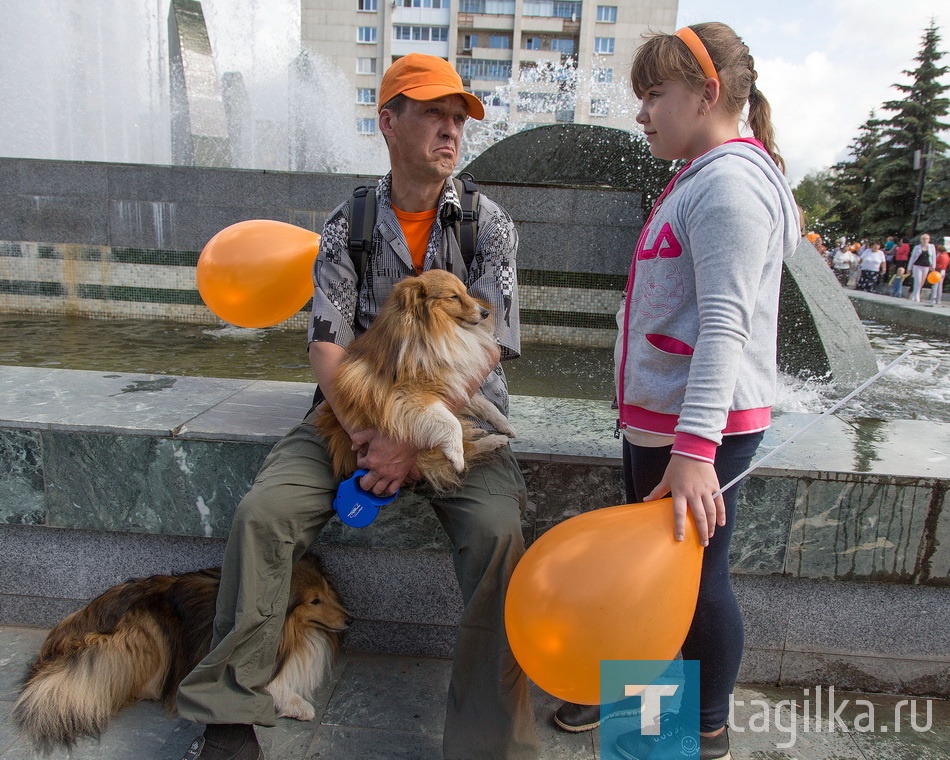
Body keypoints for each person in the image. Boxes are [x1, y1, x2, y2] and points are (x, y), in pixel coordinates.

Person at [175, 53, 540, 760]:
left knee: (499, 538)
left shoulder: (487, 226)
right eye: (433, 112)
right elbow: (326, 347)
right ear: (388, 122)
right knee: (263, 514)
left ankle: (487, 744)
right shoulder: (351, 223)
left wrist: (411, 442)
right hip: (350, 417)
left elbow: (490, 345)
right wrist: (371, 436)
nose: (450, 128)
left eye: (457, 116)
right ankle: (226, 715)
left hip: (458, 422)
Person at [551, 23, 800, 760]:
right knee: (661, 576)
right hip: (670, 423)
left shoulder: (728, 185)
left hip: (698, 432)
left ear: (707, 93)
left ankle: (704, 727)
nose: (641, 113)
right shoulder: (704, 173)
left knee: (696, 579)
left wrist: (695, 452)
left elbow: (726, 324)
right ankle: (643, 700)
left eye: (654, 95)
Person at [908, 233, 937, 302]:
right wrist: (909, 268)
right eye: (923, 239)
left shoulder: (931, 247)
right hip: (917, 266)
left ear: (929, 240)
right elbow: (912, 258)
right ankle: (917, 297)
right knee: (918, 280)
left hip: (926, 266)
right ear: (921, 240)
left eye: (926, 239)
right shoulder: (917, 247)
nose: (925, 240)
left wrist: (933, 266)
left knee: (922, 282)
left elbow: (933, 257)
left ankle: (913, 295)